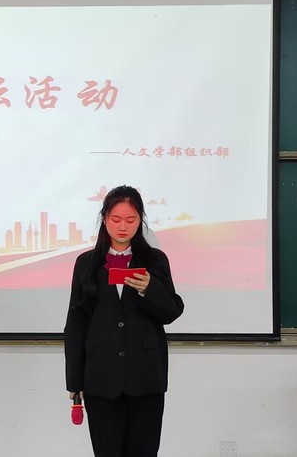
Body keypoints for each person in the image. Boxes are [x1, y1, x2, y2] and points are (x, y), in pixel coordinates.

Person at [64, 185, 184, 457]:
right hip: (100, 379)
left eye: (130, 220)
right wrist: (74, 381)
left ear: (140, 220)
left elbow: (172, 312)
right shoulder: (86, 263)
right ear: (104, 219)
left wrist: (150, 288)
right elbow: (76, 324)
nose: (122, 226)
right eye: (116, 219)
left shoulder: (155, 260)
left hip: (146, 377)